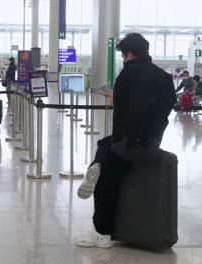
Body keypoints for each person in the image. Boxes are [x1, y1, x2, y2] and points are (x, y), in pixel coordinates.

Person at [74, 33, 176, 248]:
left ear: (130, 54)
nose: (123, 59)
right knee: (104, 144)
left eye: (123, 55)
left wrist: (113, 99)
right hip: (150, 142)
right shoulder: (164, 77)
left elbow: (121, 111)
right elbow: (167, 107)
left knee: (106, 181)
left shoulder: (127, 75)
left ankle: (102, 234)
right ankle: (97, 164)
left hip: (127, 144)